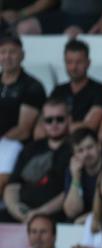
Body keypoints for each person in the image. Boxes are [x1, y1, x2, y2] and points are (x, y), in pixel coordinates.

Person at [2, 98, 72, 223]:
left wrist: (39, 213)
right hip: (22, 214)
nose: (54, 124)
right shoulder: (30, 148)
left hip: (55, 216)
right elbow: (12, 186)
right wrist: (15, 208)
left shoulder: (76, 149)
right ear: (43, 123)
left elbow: (69, 192)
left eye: (60, 119)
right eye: (49, 120)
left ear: (69, 120)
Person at [0, 34, 46, 203]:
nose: (7, 56)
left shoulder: (32, 86)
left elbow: (24, 130)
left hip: (14, 143)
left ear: (22, 55)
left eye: (12, 52)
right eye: (3, 52)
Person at [43, 39, 102, 135]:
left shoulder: (100, 90)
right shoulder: (58, 90)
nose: (74, 67)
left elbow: (91, 126)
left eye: (79, 62)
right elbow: (41, 126)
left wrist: (56, 128)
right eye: (69, 62)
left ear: (88, 63)